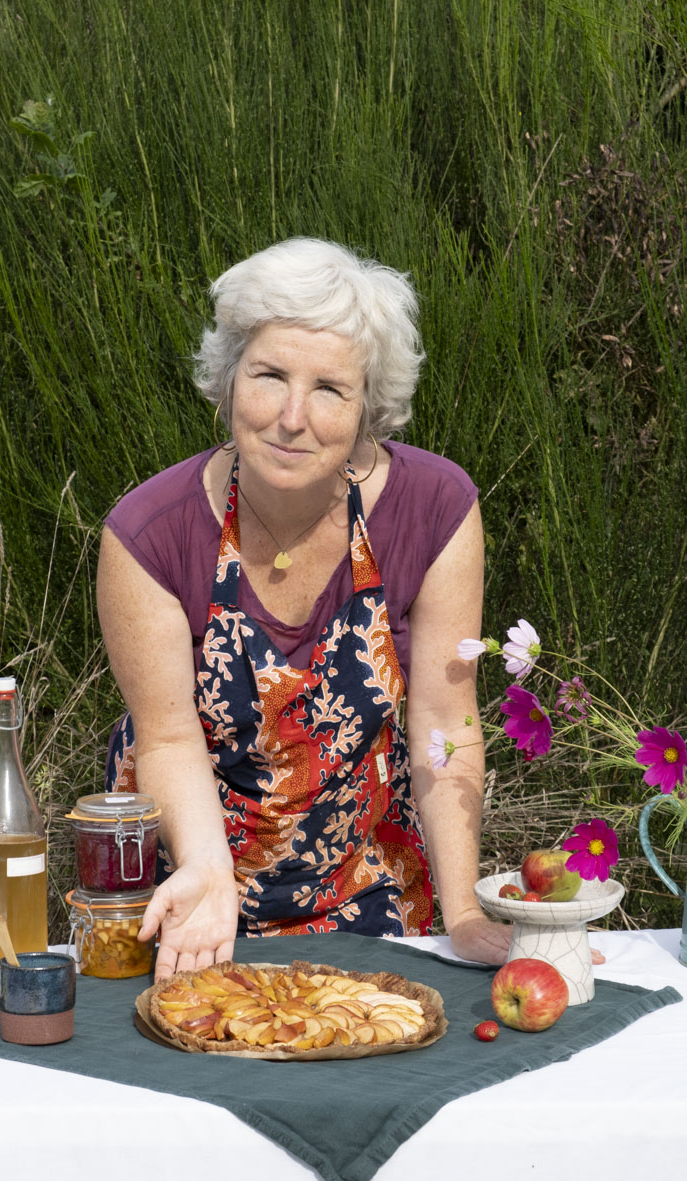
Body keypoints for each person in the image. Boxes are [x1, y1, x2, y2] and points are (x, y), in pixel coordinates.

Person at [97, 237, 511, 981]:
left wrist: (465, 914)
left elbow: (446, 724)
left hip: (369, 893)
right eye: (269, 376)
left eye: (329, 389)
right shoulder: (148, 533)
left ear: (367, 409)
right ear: (229, 381)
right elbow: (167, 737)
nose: (293, 416)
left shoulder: (436, 508)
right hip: (189, 895)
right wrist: (206, 875)